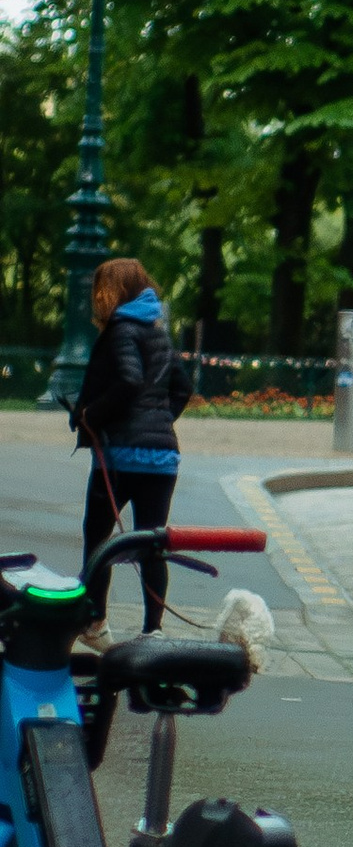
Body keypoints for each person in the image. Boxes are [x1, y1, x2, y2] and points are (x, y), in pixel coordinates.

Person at [70, 255, 191, 644]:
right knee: (152, 544)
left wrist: (92, 414)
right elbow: (183, 388)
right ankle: (153, 631)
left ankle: (95, 623)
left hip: (121, 454)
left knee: (99, 538)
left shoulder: (122, 330)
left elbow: (128, 380)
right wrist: (158, 421)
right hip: (162, 458)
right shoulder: (157, 330)